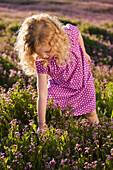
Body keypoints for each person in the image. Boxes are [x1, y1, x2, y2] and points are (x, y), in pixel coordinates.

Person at [15, 13, 99, 135]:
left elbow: (77, 32)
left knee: (91, 112)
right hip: (61, 87)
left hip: (83, 81)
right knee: (53, 108)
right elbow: (42, 93)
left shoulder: (68, 35)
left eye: (47, 51)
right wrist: (41, 125)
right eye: (38, 52)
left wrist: (84, 52)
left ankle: (97, 135)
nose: (44, 56)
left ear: (56, 41)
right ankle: (63, 134)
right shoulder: (41, 61)